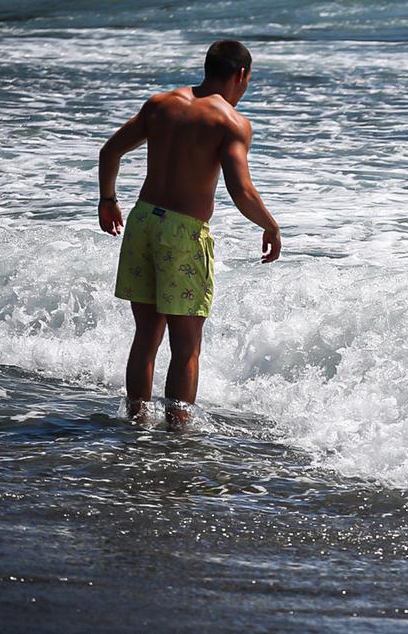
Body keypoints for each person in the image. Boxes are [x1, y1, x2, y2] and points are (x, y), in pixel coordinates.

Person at [96, 40, 282, 426]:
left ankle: (137, 423)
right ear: (240, 75)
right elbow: (241, 190)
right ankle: (178, 437)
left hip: (143, 220)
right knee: (186, 347)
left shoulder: (161, 104)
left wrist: (107, 200)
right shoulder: (230, 121)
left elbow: (110, 151)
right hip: (182, 233)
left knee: (146, 337)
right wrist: (270, 225)